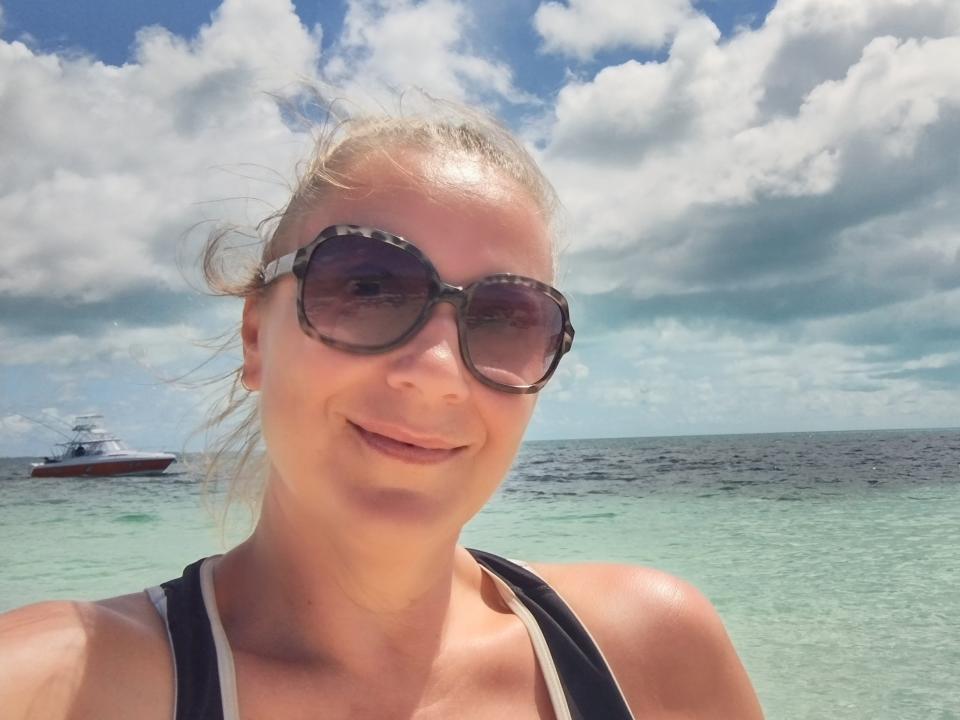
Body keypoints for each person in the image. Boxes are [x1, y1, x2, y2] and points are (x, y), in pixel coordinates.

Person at [0, 105, 764, 719]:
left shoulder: (651, 654)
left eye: (506, 317)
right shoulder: (54, 688)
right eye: (366, 287)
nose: (436, 375)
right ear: (257, 337)